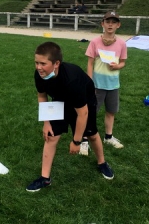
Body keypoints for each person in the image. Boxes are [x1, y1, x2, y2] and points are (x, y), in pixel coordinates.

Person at [26, 41, 114, 192]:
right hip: (60, 101)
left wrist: (76, 141)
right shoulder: (39, 75)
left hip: (84, 102)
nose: (38, 67)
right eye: (36, 63)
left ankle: (102, 163)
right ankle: (45, 179)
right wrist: (46, 123)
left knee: (92, 135)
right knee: (51, 136)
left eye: (43, 63)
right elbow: (42, 96)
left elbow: (82, 113)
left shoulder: (72, 80)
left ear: (56, 63)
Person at [85, 11, 127, 149]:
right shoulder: (95, 42)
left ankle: (108, 137)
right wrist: (89, 82)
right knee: (91, 112)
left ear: (118, 25)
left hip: (113, 84)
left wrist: (117, 66)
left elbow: (122, 63)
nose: (110, 24)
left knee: (111, 111)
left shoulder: (121, 43)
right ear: (102, 24)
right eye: (107, 21)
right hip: (97, 85)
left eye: (114, 22)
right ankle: (84, 139)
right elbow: (90, 63)